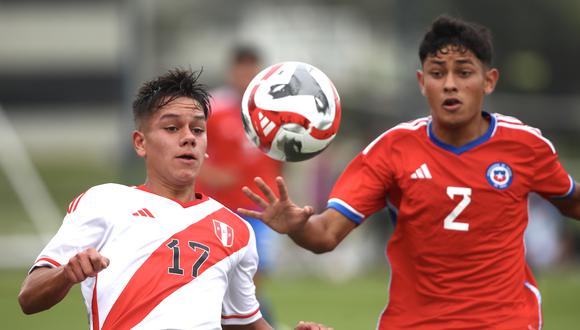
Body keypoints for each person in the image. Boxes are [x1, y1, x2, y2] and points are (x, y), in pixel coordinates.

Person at [239, 15, 580, 330]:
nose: (449, 84)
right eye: (437, 73)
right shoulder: (391, 150)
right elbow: (325, 235)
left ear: (489, 81)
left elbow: (571, 201)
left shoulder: (524, 146)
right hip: (416, 322)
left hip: (505, 320)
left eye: (463, 72)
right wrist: (297, 226)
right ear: (421, 81)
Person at [17, 68, 328, 330]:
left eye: (197, 129)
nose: (188, 137)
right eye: (171, 127)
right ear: (140, 142)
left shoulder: (235, 231)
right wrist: (65, 274)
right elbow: (29, 298)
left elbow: (244, 323)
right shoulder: (104, 202)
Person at [197, 45, 283, 322]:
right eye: (241, 69)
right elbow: (192, 149)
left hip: (260, 210)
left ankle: (253, 318)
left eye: (252, 70)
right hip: (222, 209)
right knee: (219, 275)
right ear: (231, 72)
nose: (246, 76)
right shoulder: (214, 108)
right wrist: (209, 175)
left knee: (256, 275)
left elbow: (281, 156)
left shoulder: (272, 110)